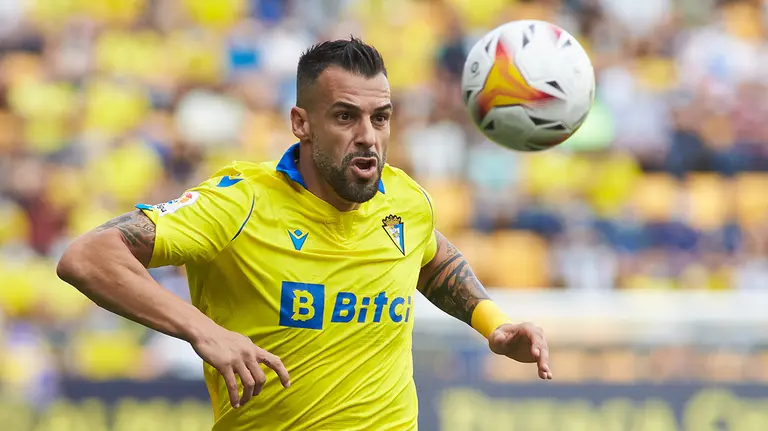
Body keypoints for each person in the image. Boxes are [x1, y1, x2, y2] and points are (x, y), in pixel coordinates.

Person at [56, 37, 552, 431]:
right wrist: (204, 332)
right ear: (301, 123)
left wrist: (493, 323)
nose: (368, 136)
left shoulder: (404, 201)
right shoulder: (241, 202)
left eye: (380, 118)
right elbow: (88, 257)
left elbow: (431, 256)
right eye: (345, 116)